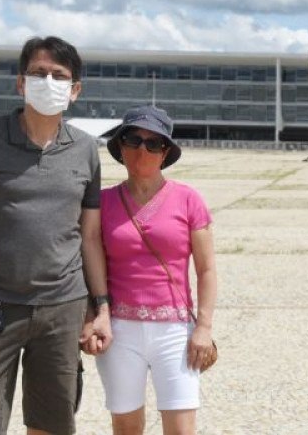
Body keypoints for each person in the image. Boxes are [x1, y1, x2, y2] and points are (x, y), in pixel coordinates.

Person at [0, 36, 112, 435]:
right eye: (38, 73)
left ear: (75, 89)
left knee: (52, 425)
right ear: (20, 83)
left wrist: (100, 308)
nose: (48, 81)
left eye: (59, 76)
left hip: (62, 309)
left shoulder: (85, 150)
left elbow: (90, 237)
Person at [90, 105, 217, 435]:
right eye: (133, 139)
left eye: (154, 143)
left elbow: (206, 270)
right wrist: (91, 316)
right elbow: (87, 262)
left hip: (174, 331)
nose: (142, 150)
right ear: (120, 147)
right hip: (119, 329)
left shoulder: (189, 199)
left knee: (181, 429)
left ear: (165, 153)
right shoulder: (101, 203)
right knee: (126, 427)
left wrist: (203, 327)